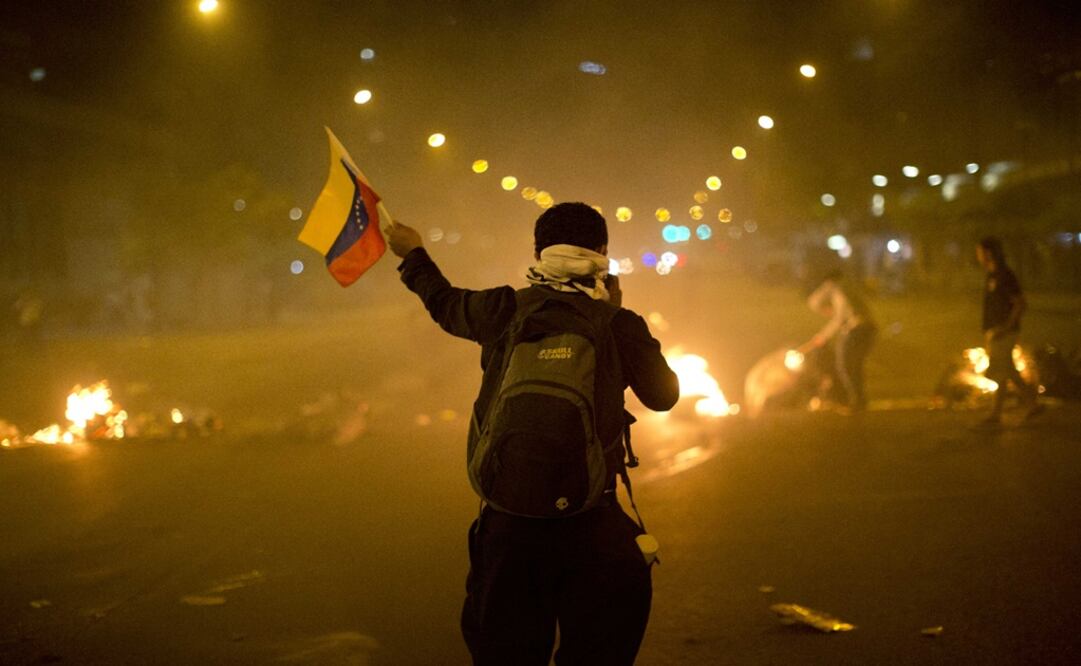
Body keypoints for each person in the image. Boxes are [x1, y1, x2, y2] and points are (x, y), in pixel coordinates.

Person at [386, 202, 679, 665]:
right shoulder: (616, 323)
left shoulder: (503, 309)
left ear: (539, 252)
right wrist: (619, 320)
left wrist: (413, 253)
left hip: (509, 525)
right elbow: (664, 396)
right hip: (592, 523)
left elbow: (443, 303)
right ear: (602, 251)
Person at [975, 236, 1041, 425]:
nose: (978, 256)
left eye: (979, 252)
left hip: (1004, 332)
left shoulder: (1005, 275)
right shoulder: (992, 275)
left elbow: (1020, 304)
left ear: (988, 253)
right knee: (1004, 372)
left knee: (1003, 372)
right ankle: (1013, 409)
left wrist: (1005, 327)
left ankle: (1013, 409)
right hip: (994, 332)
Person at [797, 269, 876, 412]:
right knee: (854, 366)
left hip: (857, 330)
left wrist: (823, 336)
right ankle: (859, 400)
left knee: (845, 365)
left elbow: (838, 317)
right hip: (867, 329)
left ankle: (856, 400)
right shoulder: (848, 287)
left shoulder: (838, 290)